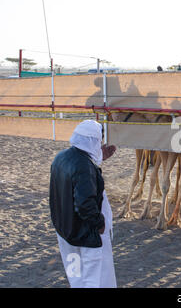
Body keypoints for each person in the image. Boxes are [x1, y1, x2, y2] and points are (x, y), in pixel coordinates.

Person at [49, 120, 117, 288]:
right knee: (93, 279)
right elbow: (85, 203)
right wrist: (99, 224)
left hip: (66, 232)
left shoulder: (61, 157)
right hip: (86, 235)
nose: (100, 145)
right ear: (92, 141)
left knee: (76, 277)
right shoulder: (84, 167)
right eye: (98, 142)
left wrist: (99, 157)